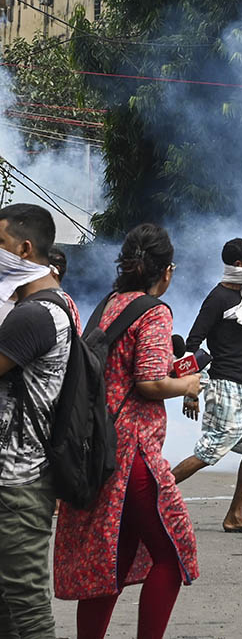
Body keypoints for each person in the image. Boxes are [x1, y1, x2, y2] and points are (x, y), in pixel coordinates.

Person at [53, 224, 201, 639]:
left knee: (111, 560)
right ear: (166, 271)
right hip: (133, 451)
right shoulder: (155, 310)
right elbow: (149, 382)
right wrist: (187, 384)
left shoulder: (109, 304)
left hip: (96, 446)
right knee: (174, 553)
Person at [0, 203, 70, 639]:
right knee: (8, 607)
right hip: (18, 477)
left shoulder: (34, 314)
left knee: (27, 611)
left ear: (25, 249)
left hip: (17, 482)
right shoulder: (51, 303)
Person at [171, 238, 242, 534]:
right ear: (238, 265)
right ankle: (146, 495)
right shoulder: (217, 298)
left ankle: (235, 515)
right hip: (222, 386)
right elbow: (192, 344)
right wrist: (190, 390)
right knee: (209, 452)